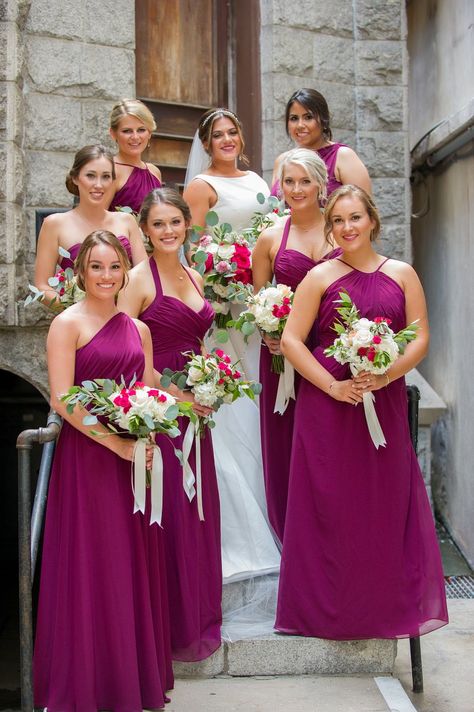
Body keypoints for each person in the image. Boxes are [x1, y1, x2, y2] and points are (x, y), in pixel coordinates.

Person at [275, 185, 448, 639]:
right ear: (330, 228)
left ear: (371, 219)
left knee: (380, 503)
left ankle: (379, 609)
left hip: (381, 400)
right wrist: (332, 385)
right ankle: (323, 612)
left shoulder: (403, 274)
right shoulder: (318, 277)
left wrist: (387, 376)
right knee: (328, 505)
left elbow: (419, 337)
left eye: (355, 218)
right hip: (329, 405)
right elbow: (293, 340)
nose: (347, 228)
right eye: (338, 221)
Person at [33, 231, 173, 711]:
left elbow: (150, 387)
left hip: (136, 458)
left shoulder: (139, 329)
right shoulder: (66, 325)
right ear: (81, 272)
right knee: (95, 563)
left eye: (115, 267)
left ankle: (127, 681)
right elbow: (62, 398)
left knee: (130, 564)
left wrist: (169, 417)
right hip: (91, 460)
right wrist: (114, 442)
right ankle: (86, 683)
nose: (107, 276)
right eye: (97, 267)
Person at [117, 188, 222, 661]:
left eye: (174, 222)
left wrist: (209, 383)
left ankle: (195, 613)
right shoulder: (138, 280)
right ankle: (166, 626)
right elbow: (123, 351)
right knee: (171, 511)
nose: (167, 231)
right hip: (160, 409)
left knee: (196, 507)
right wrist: (176, 396)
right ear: (145, 229)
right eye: (157, 224)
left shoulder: (195, 276)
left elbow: (199, 342)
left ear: (186, 224)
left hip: (196, 409)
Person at [183, 108, 280, 587]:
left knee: (258, 406)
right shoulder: (201, 186)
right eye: (217, 134)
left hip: (258, 310)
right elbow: (192, 249)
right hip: (224, 312)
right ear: (206, 142)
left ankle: (270, 514)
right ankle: (236, 538)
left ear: (241, 137)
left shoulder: (257, 179)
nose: (226, 139)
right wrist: (222, 274)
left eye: (232, 132)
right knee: (229, 411)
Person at [252, 148, 341, 544]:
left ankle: (333, 532)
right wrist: (269, 332)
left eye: (305, 181)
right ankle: (292, 538)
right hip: (282, 360)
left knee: (330, 449)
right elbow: (258, 301)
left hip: (334, 356)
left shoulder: (342, 231)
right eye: (289, 181)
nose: (297, 188)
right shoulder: (270, 238)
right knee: (287, 447)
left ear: (322, 184)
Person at [34, 144, 146, 306]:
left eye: (106, 176)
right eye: (91, 176)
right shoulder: (54, 224)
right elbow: (42, 286)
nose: (99, 185)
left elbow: (143, 278)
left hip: (123, 318)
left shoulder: (127, 221)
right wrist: (76, 307)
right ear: (75, 178)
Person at [271, 88, 371, 200]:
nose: (300, 125)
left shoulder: (343, 156)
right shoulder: (281, 161)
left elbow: (365, 210)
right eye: (294, 118)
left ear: (324, 120)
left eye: (308, 117)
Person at [108, 98, 162, 213]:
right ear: (113, 134)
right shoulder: (109, 170)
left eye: (141, 130)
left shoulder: (154, 172)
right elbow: (98, 218)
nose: (135, 137)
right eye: (127, 131)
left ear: (150, 133)